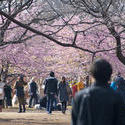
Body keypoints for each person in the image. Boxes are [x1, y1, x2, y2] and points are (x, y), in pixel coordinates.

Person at [71, 58, 125, 125]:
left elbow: (74, 122)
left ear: (92, 75)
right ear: (110, 75)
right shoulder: (117, 97)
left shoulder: (80, 96)